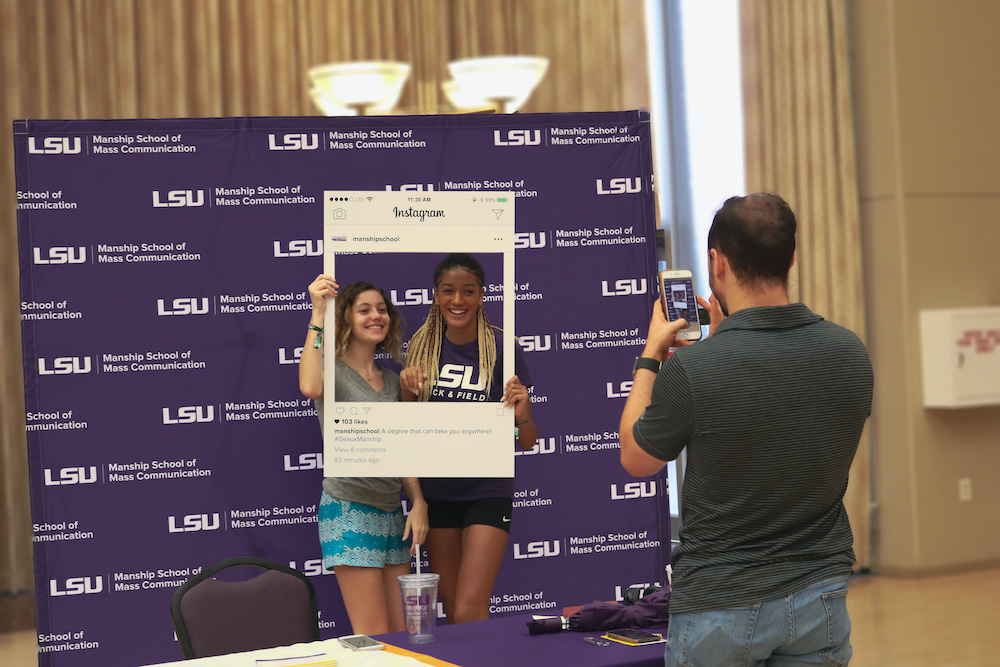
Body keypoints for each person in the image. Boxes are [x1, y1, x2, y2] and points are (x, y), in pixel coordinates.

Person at [619, 194, 873, 666]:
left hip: (720, 602)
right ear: (791, 258)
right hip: (821, 594)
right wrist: (723, 344)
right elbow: (776, 424)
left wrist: (651, 355)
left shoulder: (695, 369)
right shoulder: (850, 353)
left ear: (717, 263)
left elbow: (638, 457)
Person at [399, 253, 537, 624]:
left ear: (481, 296)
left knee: (470, 606)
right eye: (449, 291)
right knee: (452, 606)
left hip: (487, 490)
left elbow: (527, 441)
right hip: (437, 492)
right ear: (436, 295)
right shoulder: (420, 349)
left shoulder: (505, 349)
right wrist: (408, 389)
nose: (457, 300)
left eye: (468, 291)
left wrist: (522, 412)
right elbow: (405, 431)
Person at [299, 275, 429, 636]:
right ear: (346, 320)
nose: (376, 316)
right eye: (364, 310)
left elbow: (402, 446)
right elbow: (309, 387)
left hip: (391, 513)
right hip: (349, 507)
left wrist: (417, 501)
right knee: (373, 636)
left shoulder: (392, 380)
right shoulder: (332, 371)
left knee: (403, 635)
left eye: (382, 309)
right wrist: (318, 313)